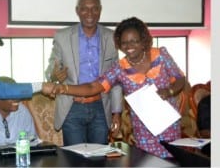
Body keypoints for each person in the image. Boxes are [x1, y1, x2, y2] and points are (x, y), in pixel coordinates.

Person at [52, 16, 186, 158]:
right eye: (124, 43)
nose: (129, 46)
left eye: (134, 41)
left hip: (169, 126)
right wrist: (64, 89)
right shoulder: (119, 68)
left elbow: (180, 79)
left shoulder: (161, 55)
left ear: (143, 41)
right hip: (144, 133)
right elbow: (93, 87)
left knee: (173, 162)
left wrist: (170, 91)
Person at [45, 0, 123, 146]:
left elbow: (115, 78)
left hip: (101, 106)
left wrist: (116, 112)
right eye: (84, 8)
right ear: (77, 11)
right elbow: (51, 70)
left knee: (99, 158)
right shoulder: (62, 36)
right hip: (72, 106)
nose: (90, 13)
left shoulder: (111, 37)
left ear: (100, 10)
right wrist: (54, 75)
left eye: (94, 8)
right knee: (75, 159)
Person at [0, 76, 39, 151]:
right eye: (10, 95)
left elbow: (33, 141)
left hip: (17, 157)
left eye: (17, 93)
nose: (16, 98)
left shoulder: (23, 112)